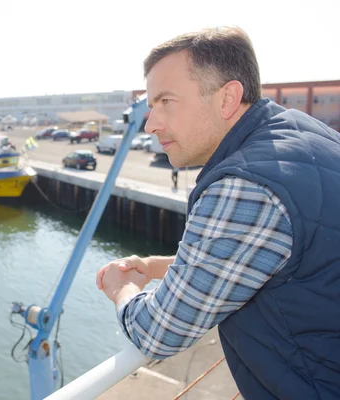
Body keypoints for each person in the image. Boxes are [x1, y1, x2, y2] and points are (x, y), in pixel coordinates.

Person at [96, 26, 340, 400]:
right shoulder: (303, 132)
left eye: (165, 102)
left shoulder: (247, 185)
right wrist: (158, 265)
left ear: (227, 98)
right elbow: (269, 252)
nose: (151, 123)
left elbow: (158, 332)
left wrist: (122, 288)